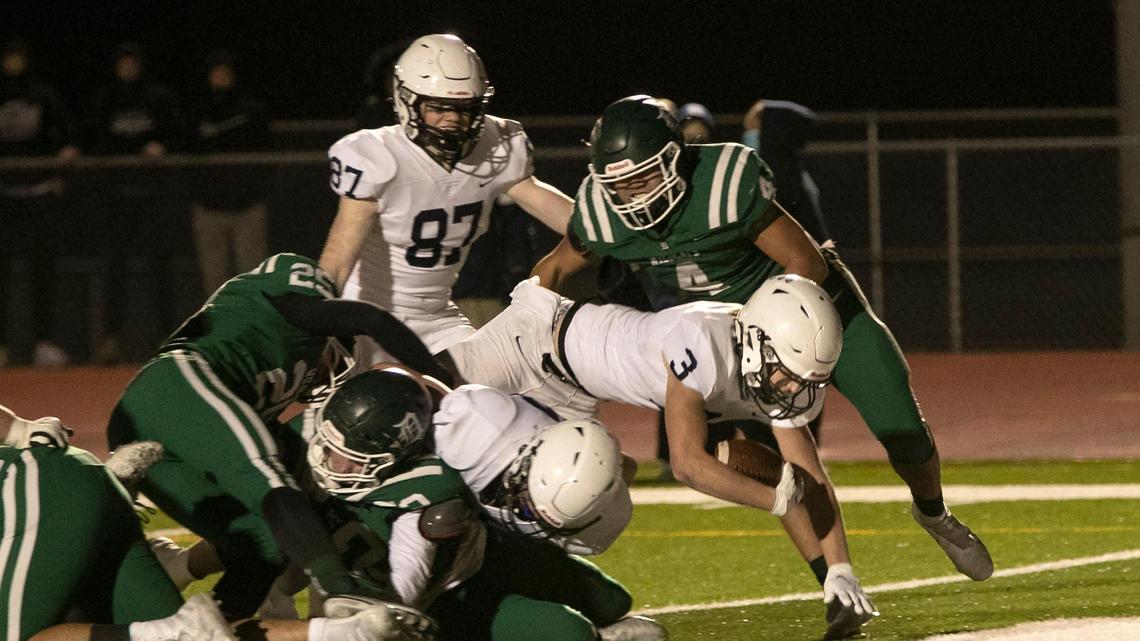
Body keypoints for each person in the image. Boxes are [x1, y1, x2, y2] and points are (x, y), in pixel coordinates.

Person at [532, 95, 993, 583]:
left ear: (675, 156)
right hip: (726, 337)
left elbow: (807, 263)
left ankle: (932, 511)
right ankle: (832, 578)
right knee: (737, 455)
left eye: (643, 176)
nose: (633, 194)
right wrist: (527, 320)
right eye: (619, 184)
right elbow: (556, 267)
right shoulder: (604, 215)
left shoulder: (723, 183)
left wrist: (769, 332)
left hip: (811, 309)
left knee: (899, 423)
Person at [448, 275, 875, 639]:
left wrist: (837, 573)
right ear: (758, 342)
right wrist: (776, 499)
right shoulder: (703, 339)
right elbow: (689, 464)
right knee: (430, 406)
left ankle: (498, 601)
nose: (790, 390)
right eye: (787, 374)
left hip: (573, 395)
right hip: (534, 340)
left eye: (802, 381)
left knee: (581, 504)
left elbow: (805, 478)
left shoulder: (769, 364)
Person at [105, 252, 453, 621]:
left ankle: (207, 628)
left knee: (263, 543)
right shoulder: (287, 309)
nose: (334, 367)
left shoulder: (260, 375)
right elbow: (370, 318)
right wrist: (442, 380)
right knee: (267, 473)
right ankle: (340, 590)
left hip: (154, 433)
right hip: (173, 385)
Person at [2, 404, 424, 641]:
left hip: (42, 489)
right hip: (56, 489)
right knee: (195, 638)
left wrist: (27, 436)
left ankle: (171, 615)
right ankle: (345, 633)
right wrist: (28, 432)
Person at [318, 33, 574, 366]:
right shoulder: (379, 156)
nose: (452, 119)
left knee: (488, 405)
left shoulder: (495, 146)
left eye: (464, 109)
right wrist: (320, 319)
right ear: (406, 101)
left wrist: (608, 230)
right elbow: (338, 257)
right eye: (439, 107)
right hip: (367, 318)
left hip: (437, 317)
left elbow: (541, 199)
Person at [87, 42, 185, 363]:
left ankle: (169, 340)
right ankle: (111, 340)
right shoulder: (105, 98)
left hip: (153, 196)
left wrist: (161, 146)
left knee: (161, 267)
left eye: (132, 62)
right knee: (115, 269)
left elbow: (179, 132)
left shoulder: (159, 96)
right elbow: (92, 138)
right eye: (122, 63)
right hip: (116, 199)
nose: (127, 68)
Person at [0, 37, 80, 367]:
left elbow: (70, 136)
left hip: (39, 194)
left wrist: (67, 154)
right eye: (9, 57)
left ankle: (43, 343)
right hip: (4, 198)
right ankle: (2, 346)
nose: (14, 63)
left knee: (42, 272)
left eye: (19, 56)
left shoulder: (43, 94)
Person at [188, 49, 272, 296]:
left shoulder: (252, 108)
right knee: (214, 282)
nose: (221, 77)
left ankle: (254, 331)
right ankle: (221, 334)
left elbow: (264, 150)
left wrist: (257, 191)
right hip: (209, 206)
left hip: (246, 206)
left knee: (252, 278)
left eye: (226, 72)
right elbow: (187, 145)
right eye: (216, 72)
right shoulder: (198, 110)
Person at [742, 98, 831, 244]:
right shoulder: (764, 170)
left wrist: (766, 107)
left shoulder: (786, 174)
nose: (750, 133)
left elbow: (808, 117)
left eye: (755, 128)